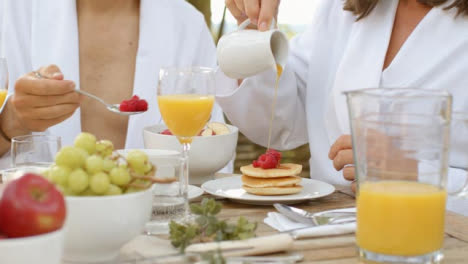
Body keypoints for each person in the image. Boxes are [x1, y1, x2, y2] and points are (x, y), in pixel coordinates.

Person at [217, 0, 468, 191]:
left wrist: (414, 176)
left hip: (444, 239)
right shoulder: (342, 7)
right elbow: (280, 121)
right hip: (323, 228)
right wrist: (257, 33)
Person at [0, 0, 235, 171]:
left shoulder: (187, 24)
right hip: (35, 229)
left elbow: (213, 155)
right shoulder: (10, 14)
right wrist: (11, 123)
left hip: (160, 231)